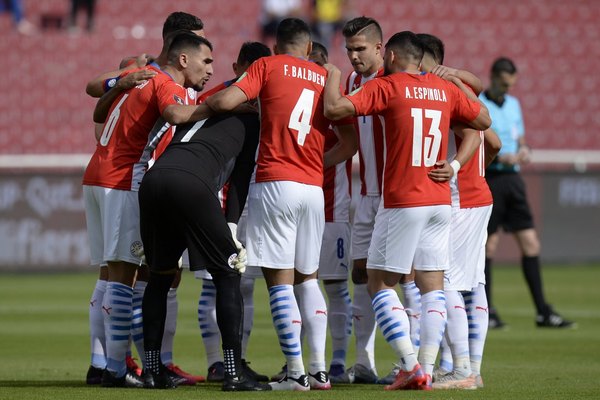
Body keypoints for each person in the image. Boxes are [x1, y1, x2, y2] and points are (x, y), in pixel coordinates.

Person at [323, 30, 491, 390]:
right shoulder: (444, 90)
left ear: (394, 57)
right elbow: (483, 122)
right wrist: (457, 164)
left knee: (378, 283)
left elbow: (335, 109)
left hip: (402, 200)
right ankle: (431, 368)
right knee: (433, 288)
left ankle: (410, 364)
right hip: (440, 200)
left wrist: (333, 76)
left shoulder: (390, 86)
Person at [206, 18, 357, 391]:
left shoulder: (266, 66)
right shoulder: (324, 77)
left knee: (279, 283)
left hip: (275, 182)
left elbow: (226, 100)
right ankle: (320, 371)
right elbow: (349, 143)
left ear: (276, 47)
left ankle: (294, 371)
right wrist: (313, 164)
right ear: (308, 48)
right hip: (312, 189)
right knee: (309, 280)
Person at [83, 31, 214, 388]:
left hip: (96, 176)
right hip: (122, 179)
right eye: (206, 60)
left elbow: (97, 105)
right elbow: (175, 113)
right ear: (183, 57)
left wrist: (119, 80)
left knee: (110, 273)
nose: (210, 70)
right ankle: (115, 369)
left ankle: (104, 364)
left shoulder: (137, 76)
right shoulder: (164, 82)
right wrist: (218, 106)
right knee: (125, 275)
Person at [417, 33, 501, 390]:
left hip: (461, 198)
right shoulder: (468, 91)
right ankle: (471, 367)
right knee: (475, 283)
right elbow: (493, 142)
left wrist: (456, 169)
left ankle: (462, 370)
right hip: (479, 194)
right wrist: (479, 170)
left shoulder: (441, 94)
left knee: (444, 280)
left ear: (427, 63)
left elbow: (479, 138)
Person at [191, 41, 272, 384]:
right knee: (216, 284)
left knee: (243, 286)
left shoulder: (271, 101)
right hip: (220, 201)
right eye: (248, 71)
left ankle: (235, 359)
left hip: (253, 203)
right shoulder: (219, 98)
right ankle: (216, 362)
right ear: (237, 67)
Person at [480, 57, 575, 329]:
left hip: (513, 180)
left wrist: (525, 150)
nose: (507, 89)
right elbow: (478, 143)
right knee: (489, 246)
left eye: (511, 84)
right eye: (503, 83)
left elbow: (520, 138)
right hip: (493, 177)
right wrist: (500, 159)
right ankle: (487, 310)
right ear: (494, 77)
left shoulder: (514, 104)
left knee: (531, 243)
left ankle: (543, 311)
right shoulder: (481, 103)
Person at [338, 16, 384, 384]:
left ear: (379, 48)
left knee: (406, 279)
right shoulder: (353, 81)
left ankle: (414, 360)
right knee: (359, 274)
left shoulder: (394, 80)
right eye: (349, 49)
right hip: (366, 195)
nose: (353, 56)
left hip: (397, 197)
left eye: (360, 49)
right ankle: (364, 362)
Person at [309, 41, 356, 383]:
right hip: (301, 206)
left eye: (318, 64)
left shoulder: (333, 101)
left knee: (336, 286)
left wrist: (314, 164)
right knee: (300, 286)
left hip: (332, 206)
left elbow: (349, 144)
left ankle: (338, 360)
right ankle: (307, 362)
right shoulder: (294, 96)